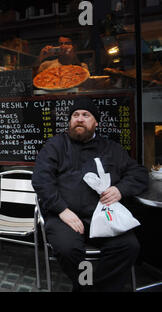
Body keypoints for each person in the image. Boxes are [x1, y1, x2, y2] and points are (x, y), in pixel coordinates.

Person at [32, 99, 148, 291]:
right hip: (65, 217)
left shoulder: (111, 148)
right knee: (68, 250)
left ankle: (92, 288)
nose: (79, 119)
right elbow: (41, 180)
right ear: (69, 122)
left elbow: (139, 173)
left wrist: (121, 190)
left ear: (96, 123)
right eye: (75, 115)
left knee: (129, 246)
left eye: (86, 115)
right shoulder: (55, 145)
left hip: (104, 216)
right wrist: (62, 209)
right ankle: (87, 284)